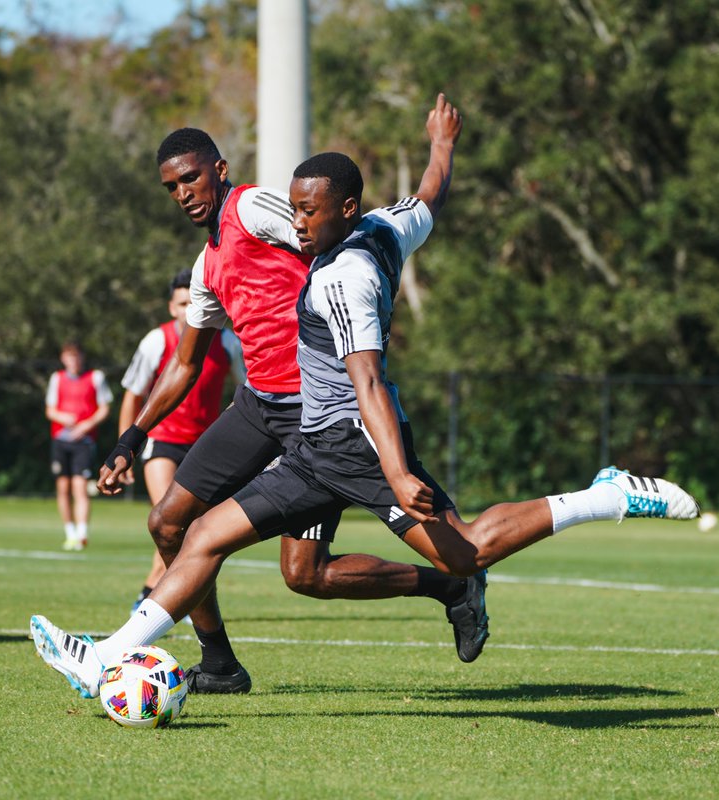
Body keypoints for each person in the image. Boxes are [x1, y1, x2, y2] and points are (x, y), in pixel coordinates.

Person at [30, 94, 700, 698]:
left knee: (463, 551)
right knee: (199, 534)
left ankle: (605, 496)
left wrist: (399, 471)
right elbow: (428, 199)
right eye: (293, 208)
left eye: (306, 211)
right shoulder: (382, 228)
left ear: (342, 209)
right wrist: (442, 146)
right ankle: (108, 658)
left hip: (353, 440)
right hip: (306, 439)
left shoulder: (335, 276)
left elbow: (368, 380)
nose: (293, 222)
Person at [36, 117, 488, 696]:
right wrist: (132, 437)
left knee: (306, 574)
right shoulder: (206, 266)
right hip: (259, 407)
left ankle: (452, 587)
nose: (183, 194)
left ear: (219, 171)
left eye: (191, 179)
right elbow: (183, 364)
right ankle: (220, 664)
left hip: (318, 414)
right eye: (171, 188)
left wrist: (366, 298)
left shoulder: (254, 210)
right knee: (168, 522)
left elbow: (325, 233)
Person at [119, 268, 243, 609]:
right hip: (163, 443)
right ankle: (153, 600)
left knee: (192, 531)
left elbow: (247, 389)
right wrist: (123, 448)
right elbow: (132, 395)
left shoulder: (228, 342)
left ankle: (163, 599)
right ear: (171, 307)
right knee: (172, 523)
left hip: (206, 448)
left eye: (195, 302)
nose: (189, 309)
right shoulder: (156, 341)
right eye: (182, 303)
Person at [45, 341, 112, 551]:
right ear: (63, 359)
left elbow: (104, 408)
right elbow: (50, 410)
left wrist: (86, 425)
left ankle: (82, 533)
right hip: (61, 440)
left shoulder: (95, 377)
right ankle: (70, 533)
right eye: (69, 357)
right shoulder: (57, 379)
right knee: (63, 488)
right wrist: (63, 417)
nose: (73, 361)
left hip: (83, 441)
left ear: (82, 358)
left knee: (80, 487)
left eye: (77, 356)